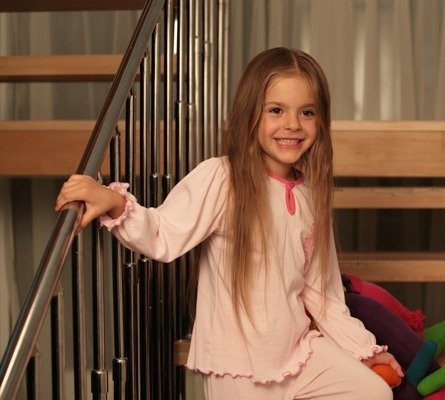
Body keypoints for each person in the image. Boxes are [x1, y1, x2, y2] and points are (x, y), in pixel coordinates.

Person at [55, 47, 403, 400]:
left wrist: (364, 349)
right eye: (276, 110)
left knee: (373, 393)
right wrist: (115, 202)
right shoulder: (222, 178)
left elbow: (322, 292)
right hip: (239, 367)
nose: (293, 124)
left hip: (299, 353)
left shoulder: (311, 196)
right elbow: (163, 234)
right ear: (250, 113)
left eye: (307, 112)